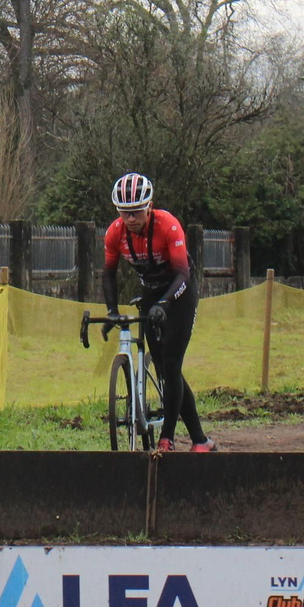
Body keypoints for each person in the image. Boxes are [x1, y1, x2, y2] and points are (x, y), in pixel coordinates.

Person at [102, 172, 214, 452]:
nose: (130, 218)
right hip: (152, 292)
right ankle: (200, 440)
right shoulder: (115, 232)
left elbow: (182, 273)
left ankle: (167, 437)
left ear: (149, 206)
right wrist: (112, 310)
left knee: (172, 364)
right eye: (124, 212)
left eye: (136, 211)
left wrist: (164, 304)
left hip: (180, 291)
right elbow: (108, 274)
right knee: (163, 368)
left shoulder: (169, 226)